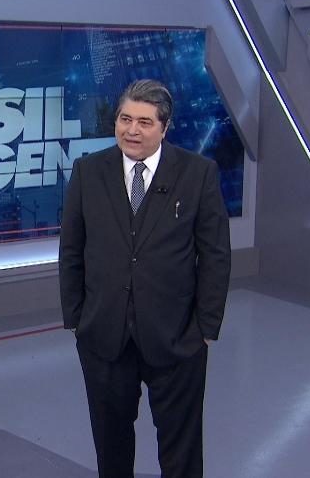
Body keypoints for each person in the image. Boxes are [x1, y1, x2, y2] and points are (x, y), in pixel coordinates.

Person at [59, 79, 231, 477]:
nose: (131, 130)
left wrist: (205, 329)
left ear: (164, 127)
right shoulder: (88, 172)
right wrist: (77, 320)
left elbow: (215, 255)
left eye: (144, 122)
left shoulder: (197, 174)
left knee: (181, 450)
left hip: (177, 337)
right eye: (125, 119)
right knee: (111, 446)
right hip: (104, 336)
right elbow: (71, 250)